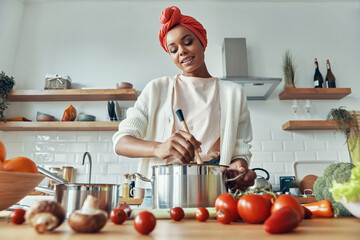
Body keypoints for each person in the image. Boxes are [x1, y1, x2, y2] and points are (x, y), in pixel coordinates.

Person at [113, 6, 256, 207]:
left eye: (188, 42)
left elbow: (240, 151)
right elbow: (120, 142)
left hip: (214, 190)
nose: (182, 51)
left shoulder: (234, 93)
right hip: (160, 190)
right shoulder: (156, 88)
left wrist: (239, 169)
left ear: (202, 42)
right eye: (173, 49)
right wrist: (159, 148)